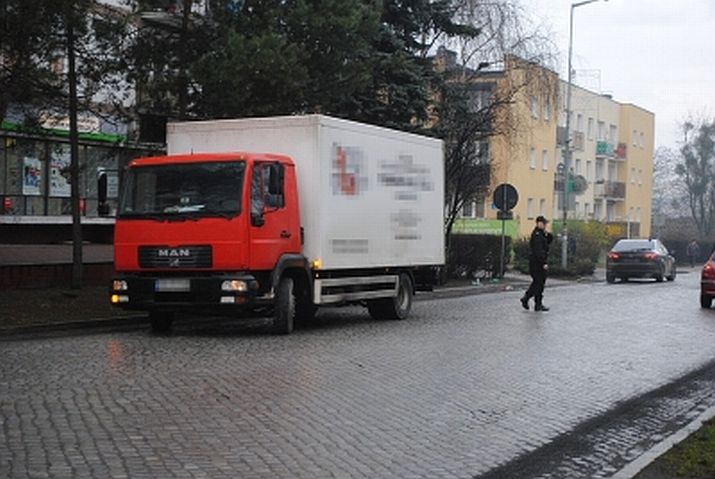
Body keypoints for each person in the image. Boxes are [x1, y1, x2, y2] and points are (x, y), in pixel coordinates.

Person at [521, 216, 554, 312]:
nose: (545, 225)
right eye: (544, 224)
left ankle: (531, 300)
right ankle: (533, 302)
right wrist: (543, 263)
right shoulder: (537, 235)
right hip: (537, 263)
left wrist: (548, 234)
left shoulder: (541, 234)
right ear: (539, 223)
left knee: (538, 283)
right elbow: (538, 251)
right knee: (538, 284)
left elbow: (549, 241)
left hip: (538, 262)